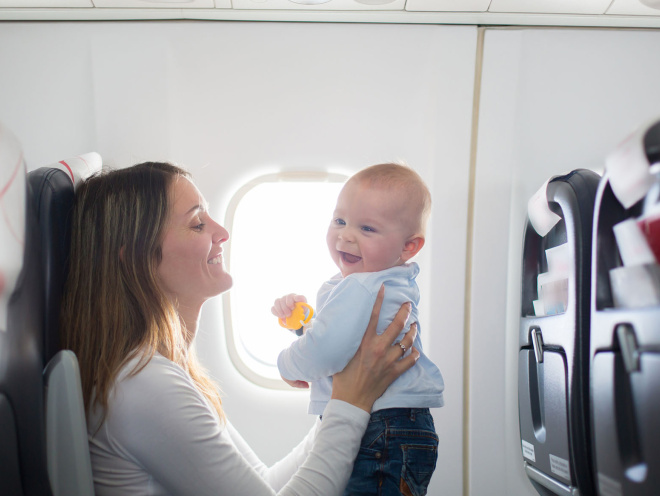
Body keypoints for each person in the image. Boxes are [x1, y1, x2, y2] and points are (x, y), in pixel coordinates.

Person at [60, 161, 421, 496]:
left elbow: (264, 484)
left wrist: (350, 393)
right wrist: (350, 401)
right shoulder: (143, 385)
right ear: (137, 255)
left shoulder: (167, 371)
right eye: (197, 223)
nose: (222, 232)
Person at [271, 162, 444, 496]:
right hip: (400, 427)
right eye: (340, 220)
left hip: (379, 429)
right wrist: (303, 325)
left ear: (409, 246)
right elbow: (345, 341)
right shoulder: (386, 281)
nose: (345, 235)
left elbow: (327, 350)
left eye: (367, 228)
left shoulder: (361, 287)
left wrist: (286, 364)